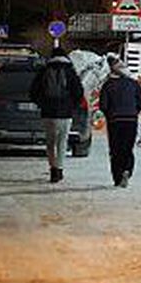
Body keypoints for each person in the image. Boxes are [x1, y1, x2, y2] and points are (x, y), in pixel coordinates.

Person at [29, 46, 85, 183]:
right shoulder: (70, 71)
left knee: (50, 142)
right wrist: (72, 106)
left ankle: (52, 168)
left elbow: (33, 91)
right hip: (65, 114)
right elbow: (78, 92)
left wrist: (42, 104)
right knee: (62, 141)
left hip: (48, 113)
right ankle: (59, 168)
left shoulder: (44, 71)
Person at [98, 54, 141, 187]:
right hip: (131, 120)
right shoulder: (133, 83)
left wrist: (109, 114)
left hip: (115, 121)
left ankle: (117, 177)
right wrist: (134, 112)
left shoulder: (108, 85)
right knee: (128, 148)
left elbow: (103, 105)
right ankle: (127, 170)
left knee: (115, 149)